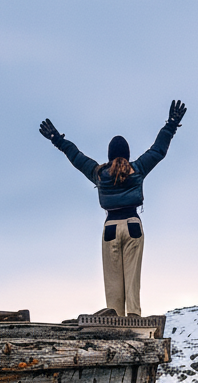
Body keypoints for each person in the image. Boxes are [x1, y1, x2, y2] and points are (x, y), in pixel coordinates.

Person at [39, 100, 186, 317]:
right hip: (133, 224)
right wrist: (171, 125)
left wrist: (57, 140)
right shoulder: (138, 168)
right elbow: (158, 150)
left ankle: (115, 317)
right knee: (132, 277)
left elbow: (77, 157)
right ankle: (134, 315)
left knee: (113, 281)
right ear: (127, 154)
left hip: (110, 228)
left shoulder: (99, 173)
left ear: (109, 155)